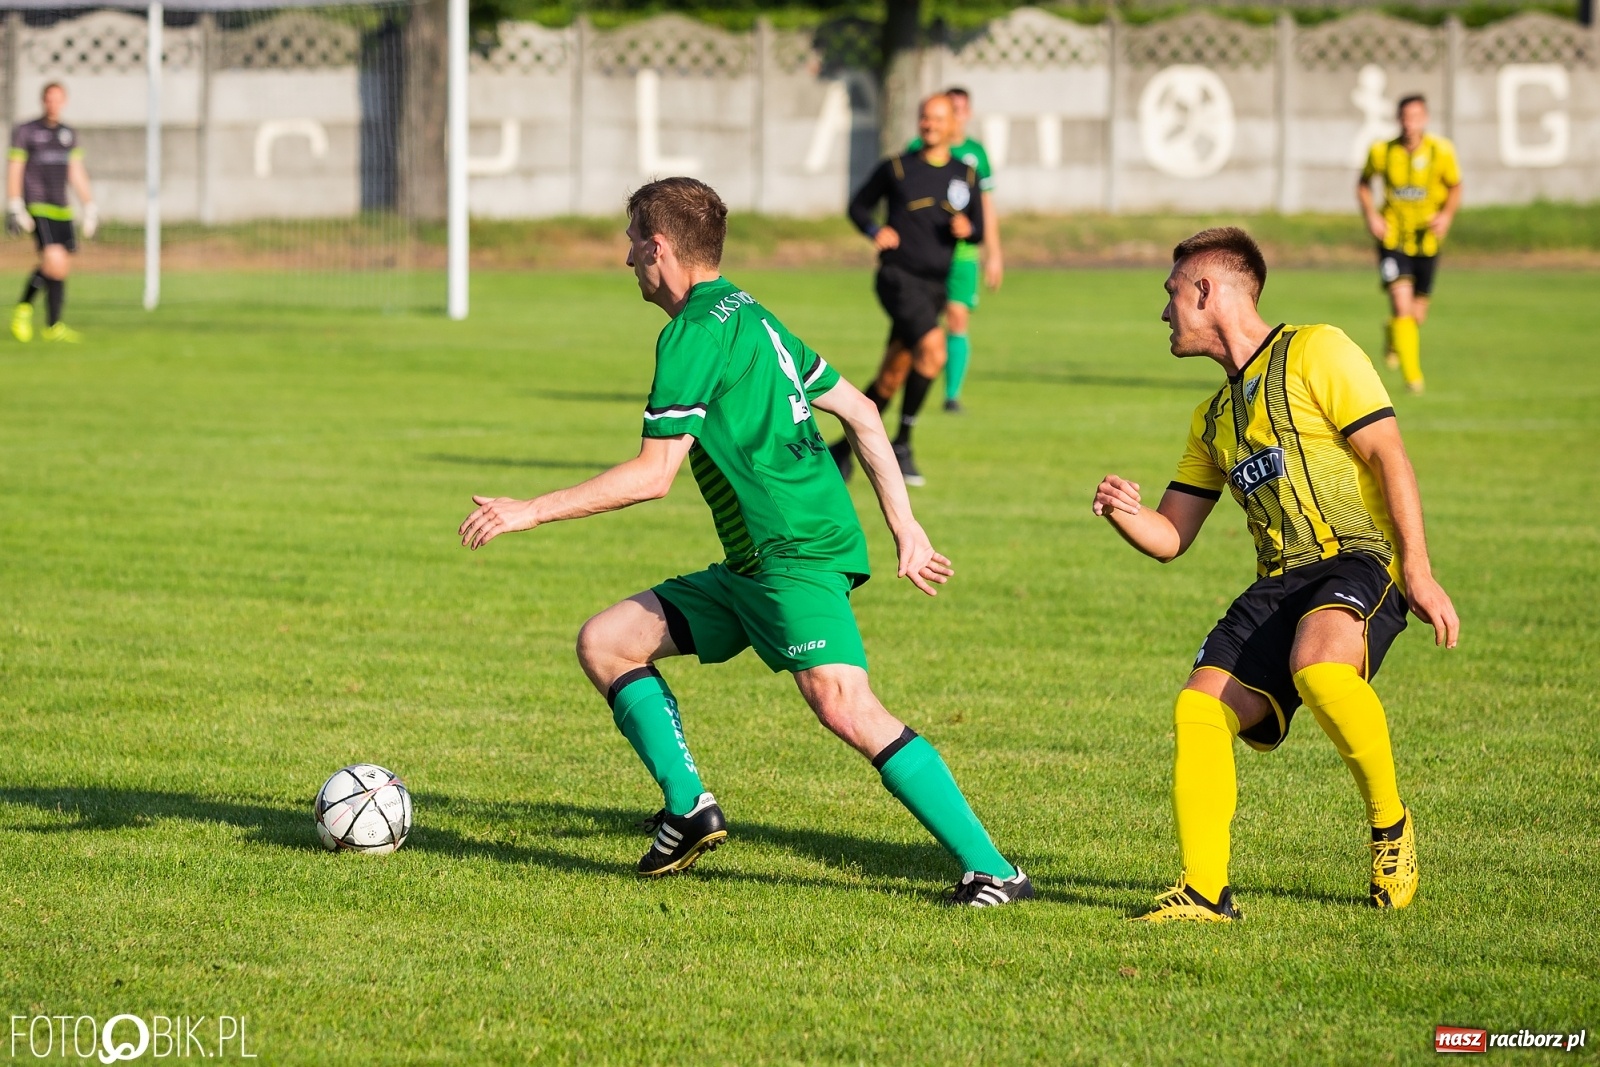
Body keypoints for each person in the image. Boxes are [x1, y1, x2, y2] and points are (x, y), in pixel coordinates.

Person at [458, 177, 1031, 907]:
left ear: (659, 246)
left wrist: (529, 510)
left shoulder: (693, 330)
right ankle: (689, 805)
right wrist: (904, 526)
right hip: (754, 563)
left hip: (793, 552)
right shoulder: (752, 312)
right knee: (607, 641)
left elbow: (653, 474)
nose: (628, 256)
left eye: (634, 241)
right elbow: (858, 410)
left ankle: (993, 869)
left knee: (844, 702)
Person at [1092, 227, 1459, 923]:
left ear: (1207, 290)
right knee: (1198, 707)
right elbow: (1172, 535)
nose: (1164, 313)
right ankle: (1204, 891)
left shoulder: (1318, 350)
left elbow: (1388, 454)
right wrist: (1123, 511)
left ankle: (1391, 828)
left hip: (1357, 561)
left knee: (1320, 667)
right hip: (1276, 584)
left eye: (1172, 295)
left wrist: (1419, 567)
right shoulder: (1213, 419)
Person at [831, 92, 983, 487]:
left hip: (935, 286)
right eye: (924, 117)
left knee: (891, 377)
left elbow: (978, 227)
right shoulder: (897, 168)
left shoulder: (966, 176)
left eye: (937, 118)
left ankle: (841, 452)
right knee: (934, 351)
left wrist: (969, 230)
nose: (929, 124)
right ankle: (902, 441)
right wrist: (874, 230)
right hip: (897, 279)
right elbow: (858, 207)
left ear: (952, 124)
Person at [1358, 94, 1461, 395]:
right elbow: (1363, 183)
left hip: (1426, 241)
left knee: (1416, 314)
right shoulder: (1382, 152)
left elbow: (1455, 186)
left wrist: (1446, 216)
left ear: (1425, 119)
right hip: (1393, 239)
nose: (1410, 123)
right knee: (1402, 305)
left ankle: (1392, 334)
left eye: (1416, 116)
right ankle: (1413, 377)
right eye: (1405, 116)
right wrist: (1372, 216)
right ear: (1398, 119)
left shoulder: (1441, 151)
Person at [907, 87, 1002, 414]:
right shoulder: (916, 150)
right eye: (952, 109)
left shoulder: (975, 155)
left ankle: (951, 395)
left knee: (957, 317)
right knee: (920, 327)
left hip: (962, 255)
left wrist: (994, 253)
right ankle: (914, 382)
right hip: (922, 257)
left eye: (962, 110)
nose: (957, 116)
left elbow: (986, 207)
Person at [8, 82, 97, 344]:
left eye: (58, 99)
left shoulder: (68, 134)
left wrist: (89, 206)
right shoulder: (27, 131)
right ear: (43, 101)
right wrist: (15, 204)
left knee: (59, 268)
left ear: (64, 101)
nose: (53, 104)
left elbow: (76, 171)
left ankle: (53, 325)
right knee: (53, 258)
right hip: (38, 203)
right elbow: (15, 166)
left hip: (61, 206)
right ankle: (22, 310)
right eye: (49, 99)